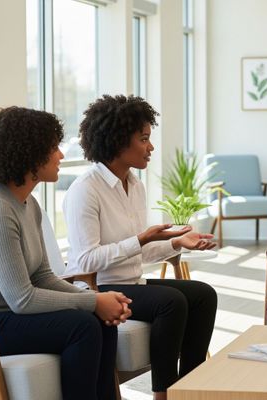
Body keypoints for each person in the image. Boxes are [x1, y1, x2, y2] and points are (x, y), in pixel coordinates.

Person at [0, 107, 130, 400]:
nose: (61, 156)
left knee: (100, 323)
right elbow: (22, 299)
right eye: (54, 147)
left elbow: (42, 276)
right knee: (82, 326)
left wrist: (96, 303)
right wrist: (93, 300)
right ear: (30, 153)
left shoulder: (28, 205)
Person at [63, 95, 217, 400]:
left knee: (203, 294)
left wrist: (176, 242)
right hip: (101, 287)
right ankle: (164, 393)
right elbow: (84, 261)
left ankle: (189, 388)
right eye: (144, 139)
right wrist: (142, 239)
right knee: (170, 301)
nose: (151, 147)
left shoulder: (134, 185)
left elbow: (138, 251)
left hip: (133, 282)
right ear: (118, 141)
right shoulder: (86, 190)